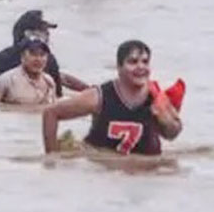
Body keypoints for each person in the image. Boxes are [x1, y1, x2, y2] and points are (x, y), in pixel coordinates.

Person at [42, 40, 182, 156]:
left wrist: (165, 119)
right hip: (102, 169)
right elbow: (51, 113)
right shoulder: (100, 96)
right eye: (133, 62)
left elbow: (172, 135)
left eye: (145, 62)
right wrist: (52, 158)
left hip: (144, 173)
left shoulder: (157, 97)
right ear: (119, 67)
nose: (140, 67)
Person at [0, 10, 90, 96]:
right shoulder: (3, 60)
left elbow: (58, 90)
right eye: (43, 31)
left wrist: (92, 92)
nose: (48, 36)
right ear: (29, 35)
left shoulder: (49, 61)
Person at [0, 36, 57, 106]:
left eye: (42, 55)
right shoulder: (8, 80)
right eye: (33, 54)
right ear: (23, 57)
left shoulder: (49, 82)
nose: (38, 59)